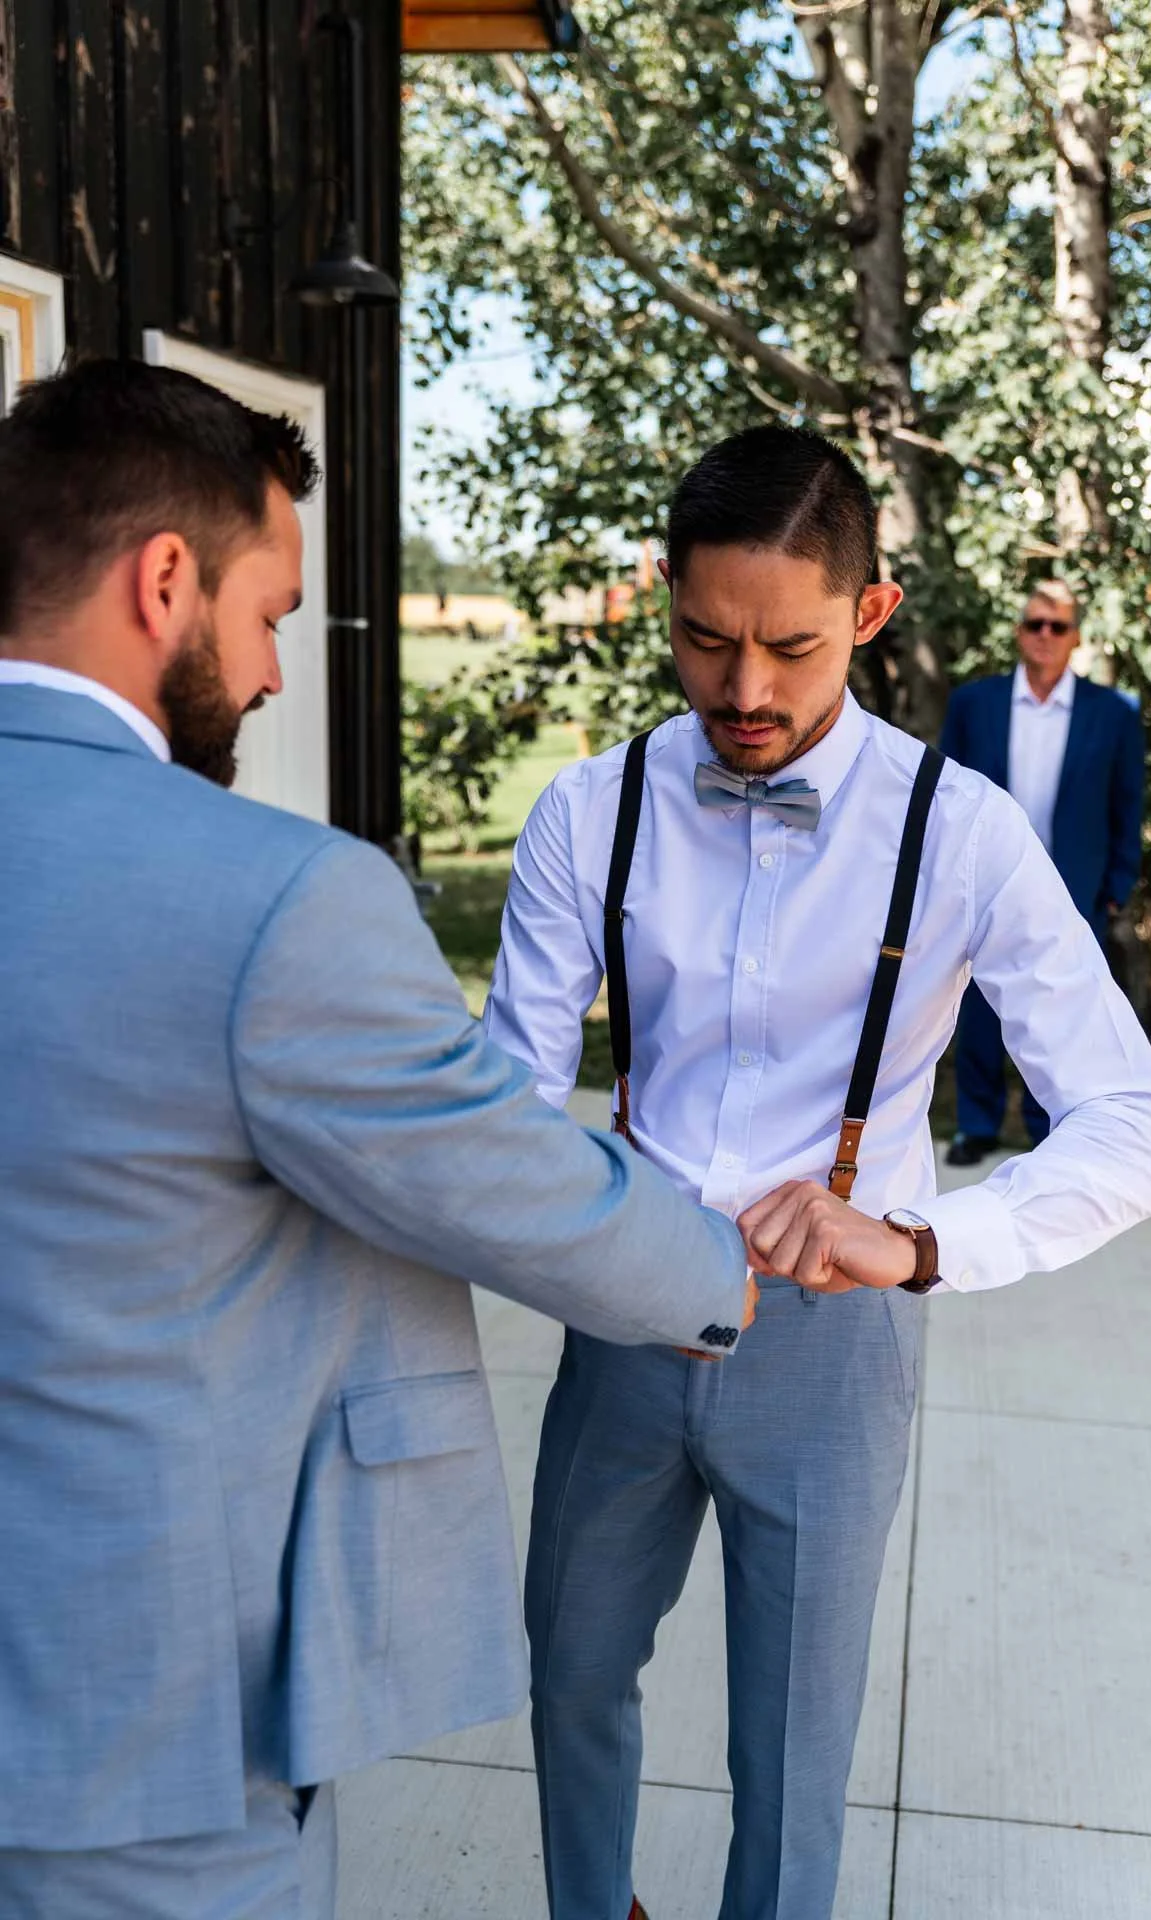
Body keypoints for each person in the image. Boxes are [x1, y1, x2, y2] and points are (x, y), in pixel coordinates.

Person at [0, 359, 759, 1920]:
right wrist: (719, 1274)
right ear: (163, 582)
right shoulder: (275, 898)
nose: (275, 669)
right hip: (129, 1731)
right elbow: (499, 1172)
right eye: (268, 609)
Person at [484, 425, 1151, 1920]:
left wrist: (919, 1243)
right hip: (619, 1319)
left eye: (789, 649)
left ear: (866, 614)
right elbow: (509, 1106)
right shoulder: (584, 812)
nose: (743, 692)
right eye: (705, 640)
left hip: (834, 1347)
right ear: (661, 597)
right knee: (569, 1675)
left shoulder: (965, 834)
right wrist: (554, 1189)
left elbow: (1136, 1129)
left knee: (796, 1754)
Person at [940, 581, 1145, 1164]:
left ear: (1076, 636)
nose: (1045, 636)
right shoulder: (974, 704)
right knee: (976, 1006)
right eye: (1035, 624)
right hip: (983, 884)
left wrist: (1117, 889)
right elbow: (948, 794)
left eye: (1058, 626)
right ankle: (977, 1123)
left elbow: (1128, 805)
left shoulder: (1113, 714)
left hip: (1074, 889)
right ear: (1019, 632)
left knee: (1056, 1013)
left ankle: (1045, 1126)